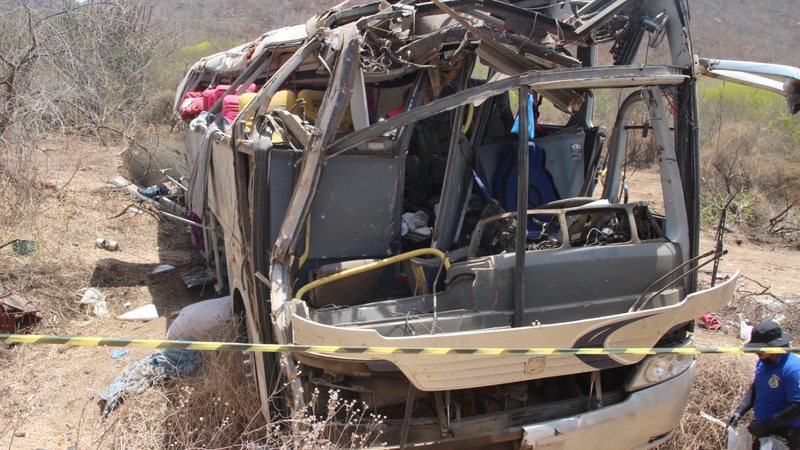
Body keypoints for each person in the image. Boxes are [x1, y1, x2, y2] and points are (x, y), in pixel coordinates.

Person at [728, 320, 800, 449]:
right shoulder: (763, 362)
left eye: (760, 349)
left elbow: (797, 407)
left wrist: (764, 425)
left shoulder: (792, 369)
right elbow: (756, 387)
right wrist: (740, 411)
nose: (756, 352)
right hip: (765, 431)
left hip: (787, 436)